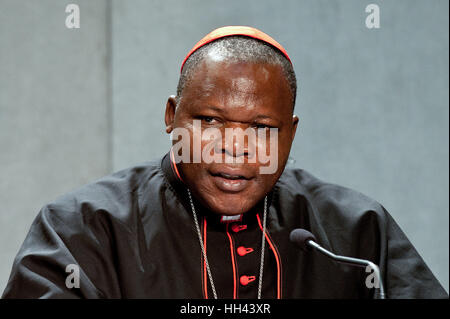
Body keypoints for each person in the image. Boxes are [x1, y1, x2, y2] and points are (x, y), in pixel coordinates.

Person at [2, 26, 447, 299]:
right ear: (170, 116)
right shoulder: (82, 229)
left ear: (290, 134)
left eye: (261, 128)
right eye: (210, 120)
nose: (234, 147)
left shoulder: (356, 231)